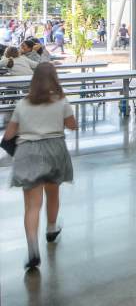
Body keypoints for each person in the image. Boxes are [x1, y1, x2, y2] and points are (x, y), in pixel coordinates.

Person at [3, 62, 77, 269]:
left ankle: (33, 249)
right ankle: (51, 229)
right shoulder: (61, 101)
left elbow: (8, 134)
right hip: (54, 149)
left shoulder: (23, 103)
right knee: (53, 193)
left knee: (32, 205)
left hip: (28, 152)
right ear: (54, 79)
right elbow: (73, 125)